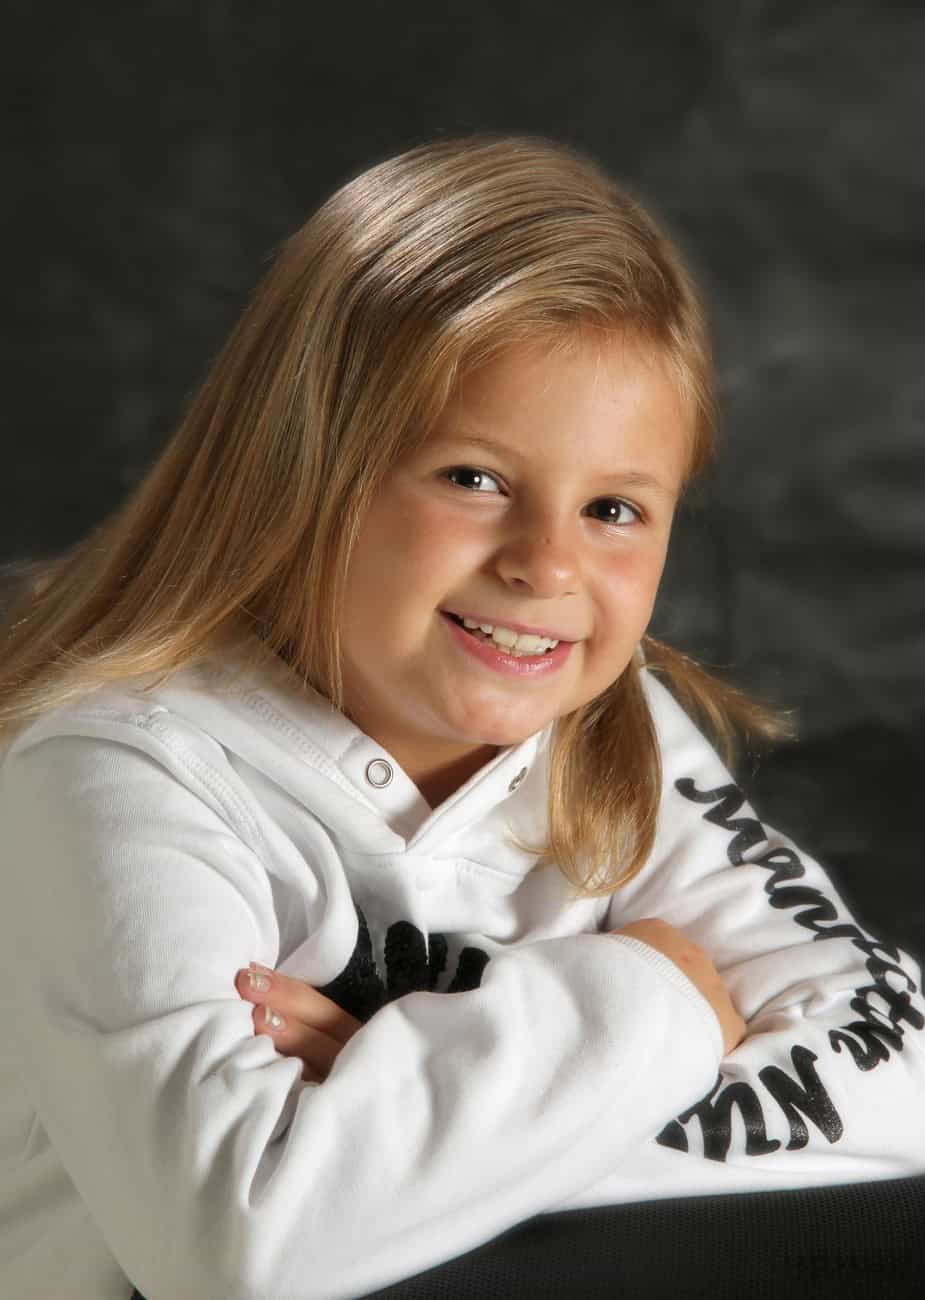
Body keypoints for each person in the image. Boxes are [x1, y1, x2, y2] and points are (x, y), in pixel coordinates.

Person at [0, 133, 922, 1300]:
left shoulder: (614, 727)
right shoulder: (115, 770)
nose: (547, 563)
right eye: (474, 479)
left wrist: (418, 1103)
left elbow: (904, 1080)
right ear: (299, 466)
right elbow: (240, 1245)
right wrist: (661, 995)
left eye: (613, 508)